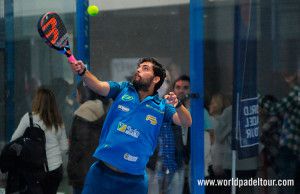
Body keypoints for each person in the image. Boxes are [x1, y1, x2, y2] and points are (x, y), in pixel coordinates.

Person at [69, 57, 192, 194]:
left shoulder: (162, 107)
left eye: (145, 68)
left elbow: (186, 122)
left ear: (156, 79)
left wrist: (178, 105)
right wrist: (83, 72)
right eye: (138, 67)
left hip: (134, 183)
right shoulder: (122, 89)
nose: (138, 70)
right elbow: (98, 85)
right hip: (102, 174)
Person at [11, 87, 69, 194]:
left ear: (37, 101)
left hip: (35, 170)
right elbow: (64, 147)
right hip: (55, 170)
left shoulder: (29, 118)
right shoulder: (58, 120)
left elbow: (13, 141)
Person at [67, 80, 109, 194]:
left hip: (82, 174)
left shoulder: (82, 115)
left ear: (82, 93)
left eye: (77, 92)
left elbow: (79, 147)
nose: (76, 96)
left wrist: (71, 172)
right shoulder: (105, 112)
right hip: (100, 172)